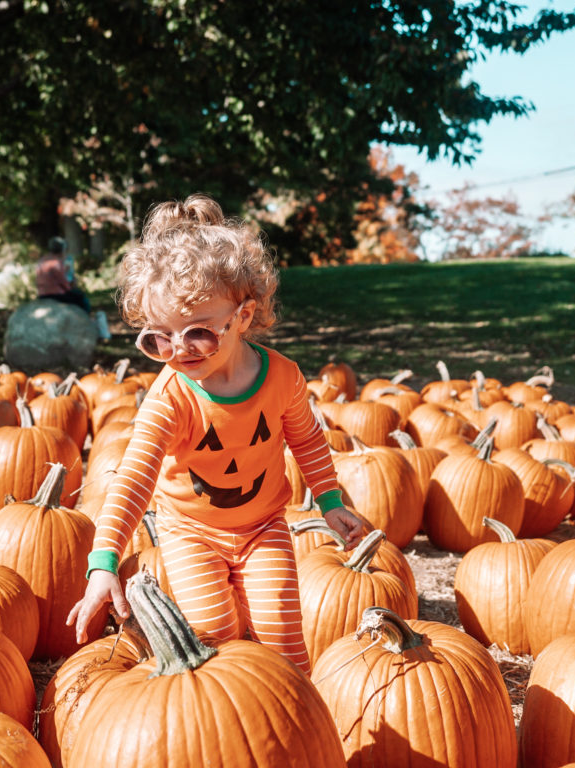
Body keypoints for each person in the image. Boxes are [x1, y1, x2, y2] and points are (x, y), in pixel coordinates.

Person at [66, 193, 365, 674]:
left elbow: (307, 440)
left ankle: (298, 730)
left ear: (242, 317)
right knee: (215, 643)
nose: (179, 350)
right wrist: (104, 562)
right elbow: (133, 480)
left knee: (285, 644)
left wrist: (330, 502)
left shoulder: (283, 378)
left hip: (264, 527)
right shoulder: (171, 397)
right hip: (191, 535)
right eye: (159, 337)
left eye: (198, 333)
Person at [35, 236, 91, 313]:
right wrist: (72, 284)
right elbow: (64, 284)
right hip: (56, 295)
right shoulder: (56, 262)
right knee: (82, 299)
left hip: (41, 295)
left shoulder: (42, 259)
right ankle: (85, 319)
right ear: (62, 249)